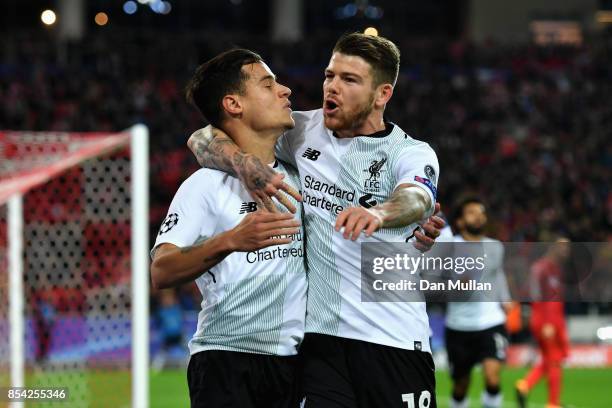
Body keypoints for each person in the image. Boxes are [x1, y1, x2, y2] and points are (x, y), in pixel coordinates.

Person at [187, 32, 445, 408]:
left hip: (395, 340)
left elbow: (417, 197)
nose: (332, 87)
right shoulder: (302, 131)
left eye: (349, 80)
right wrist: (245, 166)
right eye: (330, 76)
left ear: (382, 94)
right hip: (320, 347)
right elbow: (201, 137)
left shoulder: (409, 152)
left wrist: (379, 213)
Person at [150, 48, 307, 408]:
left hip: (295, 363)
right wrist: (232, 240)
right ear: (233, 104)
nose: (286, 91)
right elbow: (161, 269)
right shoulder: (204, 185)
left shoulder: (300, 174)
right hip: (227, 359)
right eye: (268, 85)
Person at [444, 197, 511, 408]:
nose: (479, 216)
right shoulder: (449, 247)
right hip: (459, 326)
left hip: (491, 322)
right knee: (461, 385)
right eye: (472, 212)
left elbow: (497, 274)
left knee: (492, 377)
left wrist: (506, 299)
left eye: (481, 212)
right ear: (460, 221)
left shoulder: (495, 246)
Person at [516, 237, 571, 408]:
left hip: (554, 319)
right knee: (554, 360)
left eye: (568, 248)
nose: (566, 251)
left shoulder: (555, 269)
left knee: (552, 359)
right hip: (547, 320)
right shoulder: (542, 268)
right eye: (562, 247)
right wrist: (547, 322)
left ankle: (525, 385)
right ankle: (553, 403)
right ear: (553, 247)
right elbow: (538, 296)